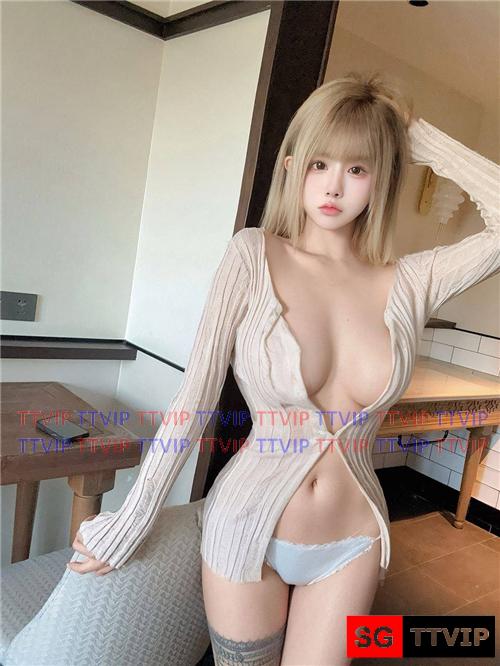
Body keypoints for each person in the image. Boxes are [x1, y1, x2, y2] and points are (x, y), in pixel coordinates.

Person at [68, 71, 500, 664]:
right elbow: (195, 399)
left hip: (353, 539)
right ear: (294, 167)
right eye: (320, 164)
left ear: (381, 179)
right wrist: (132, 519)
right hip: (248, 529)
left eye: (358, 168)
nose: (334, 186)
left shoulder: (410, 280)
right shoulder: (253, 254)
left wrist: (413, 135)